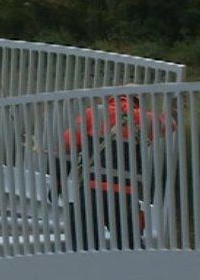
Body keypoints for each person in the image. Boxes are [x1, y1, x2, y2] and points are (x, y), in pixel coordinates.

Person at [59, 91, 174, 251]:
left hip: (91, 190)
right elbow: (170, 125)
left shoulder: (92, 113)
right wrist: (170, 106)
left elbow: (66, 145)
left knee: (83, 245)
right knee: (129, 247)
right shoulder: (146, 119)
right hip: (125, 194)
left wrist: (59, 181)